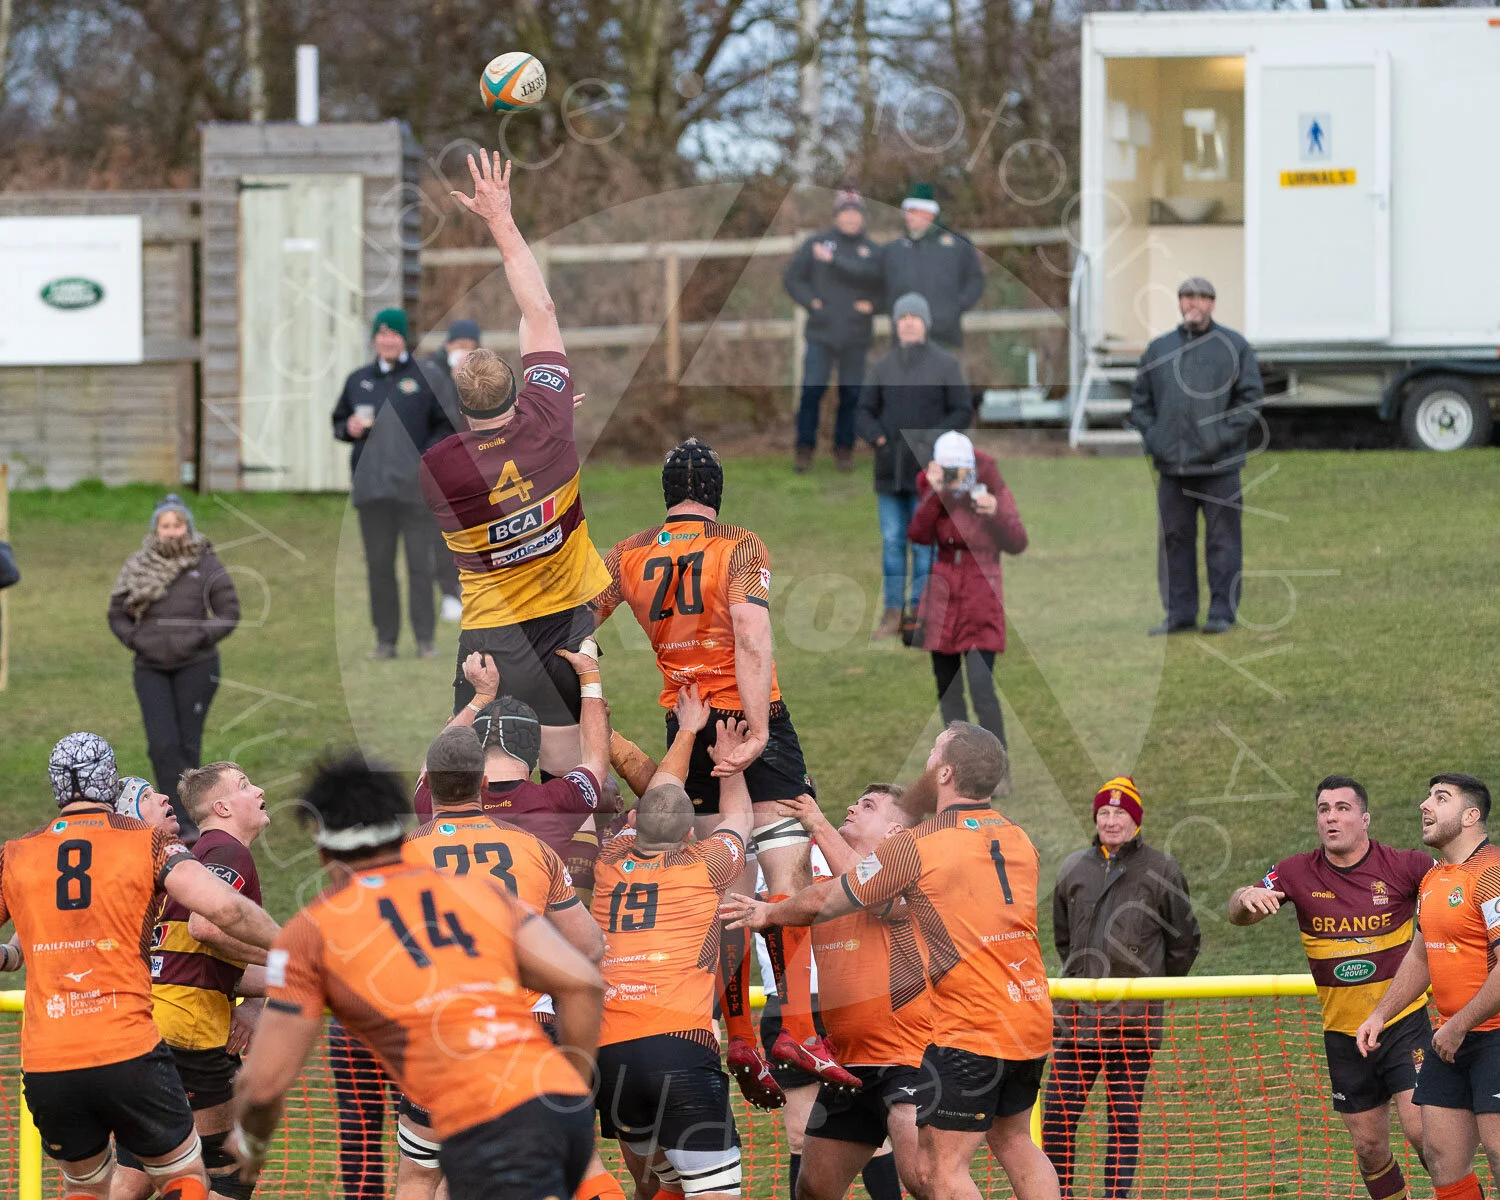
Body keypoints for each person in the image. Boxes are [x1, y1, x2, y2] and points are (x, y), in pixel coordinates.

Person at [592, 438, 858, 1096]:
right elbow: (750, 632)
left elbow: (572, 621)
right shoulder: (738, 546)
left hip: (682, 719)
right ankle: (795, 1023)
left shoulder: (628, 554)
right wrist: (760, 730)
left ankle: (739, 1035)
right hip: (743, 713)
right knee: (783, 862)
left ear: (665, 495)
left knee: (723, 875)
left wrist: (583, 679)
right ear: (716, 494)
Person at [227, 754, 604, 1200]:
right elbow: (583, 981)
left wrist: (251, 1141)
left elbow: (264, 1082)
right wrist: (572, 1087)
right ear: (398, 826)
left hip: (486, 1121)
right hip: (559, 1110)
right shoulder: (477, 893)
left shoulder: (312, 930)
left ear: (323, 848)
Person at [723, 723, 1059, 1200]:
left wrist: (769, 912)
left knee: (936, 1173)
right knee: (1012, 1143)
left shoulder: (916, 847)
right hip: (1018, 1014)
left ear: (945, 773)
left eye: (933, 752)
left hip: (952, 1033)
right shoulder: (1016, 837)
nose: (925, 760)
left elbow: (835, 900)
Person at [0, 732, 278, 1200]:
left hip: (47, 1059)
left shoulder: (16, 854)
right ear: (110, 782)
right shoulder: (148, 844)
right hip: (128, 1047)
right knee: (188, 1177)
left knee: (85, 1187)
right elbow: (221, 913)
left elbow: (14, 953)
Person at [422, 152, 612, 777]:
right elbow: (542, 314)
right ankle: (570, 870)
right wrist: (501, 219)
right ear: (517, 391)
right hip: (564, 621)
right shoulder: (550, 422)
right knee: (568, 777)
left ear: (461, 405)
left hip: (493, 633)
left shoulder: (440, 468)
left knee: (469, 776)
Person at [397, 725, 617, 1200]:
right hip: (529, 1032)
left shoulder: (399, 858)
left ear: (429, 785)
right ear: (482, 785)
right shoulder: (533, 850)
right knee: (578, 1166)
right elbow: (591, 946)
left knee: (422, 1177)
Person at [1231, 776, 1434, 1200]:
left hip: (1403, 1024)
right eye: (1323, 809)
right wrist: (1245, 899)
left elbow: (1463, 884)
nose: (1331, 817)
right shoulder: (1293, 872)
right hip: (1343, 1033)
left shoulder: (1405, 866)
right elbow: (1239, 912)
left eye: (1342, 808)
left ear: (1365, 819)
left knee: (1426, 1134)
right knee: (1369, 1148)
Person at [590, 717, 756, 1200]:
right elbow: (739, 820)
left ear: (633, 823)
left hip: (611, 1055)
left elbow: (659, 795)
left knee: (665, 1185)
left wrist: (686, 732)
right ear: (690, 835)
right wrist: (730, 765)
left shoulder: (609, 860)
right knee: (713, 1194)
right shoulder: (708, 864)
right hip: (679, 1047)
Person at [114, 763, 273, 1200]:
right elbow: (209, 929)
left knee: (139, 1168)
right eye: (244, 784)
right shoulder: (227, 852)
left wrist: (277, 984)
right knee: (229, 1171)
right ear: (221, 807)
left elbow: (198, 956)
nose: (258, 788)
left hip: (151, 1025)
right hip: (191, 1032)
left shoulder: (185, 858)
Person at [764, 787, 929, 1200]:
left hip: (908, 1060)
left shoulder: (910, 870)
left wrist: (817, 821)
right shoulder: (827, 881)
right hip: (851, 1062)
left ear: (895, 831)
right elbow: (787, 888)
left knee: (926, 1179)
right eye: (854, 801)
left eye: (868, 805)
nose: (852, 805)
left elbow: (873, 894)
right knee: (814, 1188)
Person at [1045, 776, 1201, 1200]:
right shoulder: (1073, 867)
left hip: (1133, 1024)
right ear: (1095, 817)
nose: (1111, 821)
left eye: (1120, 813)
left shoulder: (1162, 869)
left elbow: (1184, 941)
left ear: (1136, 820)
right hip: (1076, 1022)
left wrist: (1150, 988)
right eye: (1104, 813)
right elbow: (1065, 939)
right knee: (1057, 1118)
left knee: (1123, 1121)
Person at [1357, 774, 1500, 1200]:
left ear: (1471, 816)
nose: (1425, 805)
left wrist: (1457, 1027)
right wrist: (1382, 1014)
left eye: (1441, 798)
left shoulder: (1493, 874)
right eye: (1427, 796)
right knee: (1440, 1155)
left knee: (1498, 1151)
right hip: (1451, 1038)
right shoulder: (1434, 878)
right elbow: (1421, 956)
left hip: (1492, 1037)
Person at [412, 648, 617, 897]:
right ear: (535, 753)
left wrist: (482, 696)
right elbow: (596, 761)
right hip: (536, 930)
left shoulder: (439, 802)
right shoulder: (559, 800)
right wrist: (589, 674)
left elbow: (434, 760)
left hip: (462, 930)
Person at [1128, 276, 1264, 636]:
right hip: (1173, 468)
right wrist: (1156, 440)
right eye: (1188, 297)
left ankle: (1222, 612)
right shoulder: (1158, 350)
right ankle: (1179, 613)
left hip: (1220, 466)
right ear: (1179, 303)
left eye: (1202, 298)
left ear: (1213, 304)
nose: (1194, 304)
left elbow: (1249, 399)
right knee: (1174, 540)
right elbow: (1140, 403)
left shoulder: (1234, 347)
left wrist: (1220, 438)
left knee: (1223, 542)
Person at [108, 494, 240, 839]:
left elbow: (229, 613)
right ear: (156, 529)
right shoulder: (137, 564)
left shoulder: (206, 563)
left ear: (188, 527)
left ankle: (187, 821)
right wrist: (136, 640)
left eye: (178, 524)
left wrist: (196, 635)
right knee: (161, 745)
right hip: (150, 667)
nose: (171, 531)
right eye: (165, 525)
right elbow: (117, 614)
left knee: (186, 745)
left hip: (196, 665)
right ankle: (176, 817)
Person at [333, 308, 459, 659]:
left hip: (416, 493)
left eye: (394, 334)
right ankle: (385, 641)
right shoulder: (358, 380)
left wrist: (423, 459)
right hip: (372, 492)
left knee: (421, 567)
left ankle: (425, 640)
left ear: (405, 338)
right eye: (382, 333)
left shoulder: (427, 377)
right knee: (379, 568)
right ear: (374, 338)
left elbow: (447, 425)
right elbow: (339, 422)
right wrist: (349, 429)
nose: (387, 340)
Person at [855, 293, 972, 642]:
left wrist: (934, 442)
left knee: (926, 546)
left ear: (925, 323)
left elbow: (962, 410)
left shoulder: (945, 365)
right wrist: (878, 440)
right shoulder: (882, 366)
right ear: (895, 323)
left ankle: (921, 615)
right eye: (902, 316)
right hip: (890, 473)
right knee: (893, 542)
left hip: (930, 475)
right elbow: (863, 412)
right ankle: (893, 613)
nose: (907, 321)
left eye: (914, 316)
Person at [908, 431, 1027, 747]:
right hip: (943, 598)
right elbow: (918, 534)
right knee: (948, 690)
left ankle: (996, 766)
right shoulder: (934, 490)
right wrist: (935, 494)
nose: (956, 478)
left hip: (980, 598)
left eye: (961, 470)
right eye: (949, 470)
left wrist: (995, 514)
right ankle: (961, 769)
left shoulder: (991, 489)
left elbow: (1018, 541)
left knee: (981, 687)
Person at [783, 190, 885, 474]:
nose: (851, 218)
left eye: (856, 213)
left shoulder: (872, 251)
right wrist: (812, 302)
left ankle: (844, 450)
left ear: (863, 217)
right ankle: (804, 450)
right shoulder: (816, 244)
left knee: (852, 395)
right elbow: (792, 279)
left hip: (856, 334)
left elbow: (882, 287)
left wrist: (873, 305)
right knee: (812, 391)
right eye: (845, 212)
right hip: (821, 333)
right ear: (837, 215)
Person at [423, 317, 483, 623]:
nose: (463, 352)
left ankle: (470, 588)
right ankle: (448, 592)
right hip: (440, 466)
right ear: (448, 346)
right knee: (443, 532)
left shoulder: (481, 377)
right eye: (459, 346)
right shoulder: (430, 374)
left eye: (470, 348)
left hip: (472, 465)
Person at [880, 185, 985, 353]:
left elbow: (975, 279)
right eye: (906, 211)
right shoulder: (894, 249)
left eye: (913, 211)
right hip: (904, 336)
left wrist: (956, 306)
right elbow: (879, 283)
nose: (908, 216)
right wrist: (892, 309)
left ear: (929, 213)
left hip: (944, 333)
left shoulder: (957, 245)